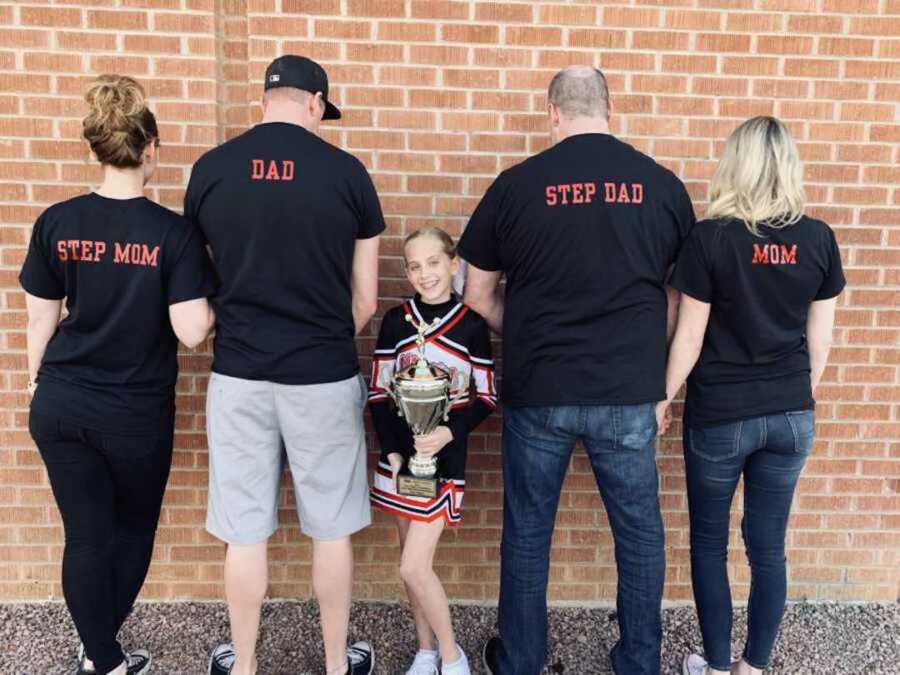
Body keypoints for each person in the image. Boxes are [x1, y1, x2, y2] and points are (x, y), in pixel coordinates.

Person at [459, 66, 696, 675]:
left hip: (541, 389)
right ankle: (639, 662)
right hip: (628, 392)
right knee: (640, 533)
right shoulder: (661, 187)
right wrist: (654, 371)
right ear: (610, 109)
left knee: (528, 532)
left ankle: (519, 661)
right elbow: (679, 298)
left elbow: (476, 294)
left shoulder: (515, 186)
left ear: (553, 114)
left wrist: (530, 331)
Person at [183, 55, 383, 675]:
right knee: (330, 530)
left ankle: (242, 666)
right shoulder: (347, 173)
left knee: (244, 532)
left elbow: (196, 286)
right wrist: (320, 337)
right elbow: (368, 301)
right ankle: (333, 664)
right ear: (316, 103)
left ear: (266, 99)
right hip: (322, 375)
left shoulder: (212, 170)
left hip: (239, 374)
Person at [20, 75, 217, 675]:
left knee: (84, 536)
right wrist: (221, 295)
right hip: (134, 413)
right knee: (131, 533)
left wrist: (36, 382)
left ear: (94, 150)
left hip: (60, 403)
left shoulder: (56, 221)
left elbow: (40, 322)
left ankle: (101, 656)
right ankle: (103, 655)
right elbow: (190, 331)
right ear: (151, 148)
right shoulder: (173, 234)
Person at [657, 116, 845, 675]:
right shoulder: (818, 238)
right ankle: (752, 668)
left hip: (720, 417)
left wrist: (663, 398)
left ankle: (716, 666)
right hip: (791, 417)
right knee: (768, 549)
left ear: (733, 165)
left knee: (710, 544)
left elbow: (688, 337)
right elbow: (822, 339)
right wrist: (793, 396)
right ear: (788, 165)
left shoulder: (712, 238)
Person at [369, 228, 497, 675]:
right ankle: (424, 652)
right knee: (409, 566)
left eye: (434, 262)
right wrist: (394, 453)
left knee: (413, 566)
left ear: (453, 263)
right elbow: (378, 395)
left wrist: (448, 433)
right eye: (415, 266)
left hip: (444, 461)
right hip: (400, 462)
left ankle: (451, 655)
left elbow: (486, 397)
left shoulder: (472, 326)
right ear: (406, 271)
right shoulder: (395, 322)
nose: (426, 273)